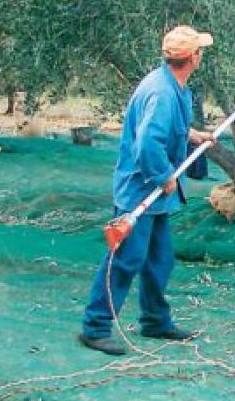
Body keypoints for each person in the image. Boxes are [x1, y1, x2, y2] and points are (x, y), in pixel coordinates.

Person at [79, 26, 216, 356]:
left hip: (156, 195)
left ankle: (155, 320)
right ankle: (94, 328)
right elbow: (147, 144)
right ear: (192, 57)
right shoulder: (161, 93)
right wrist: (163, 175)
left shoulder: (176, 86)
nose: (202, 55)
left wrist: (192, 135)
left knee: (159, 259)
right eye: (200, 50)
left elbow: (169, 129)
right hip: (140, 192)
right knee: (126, 260)